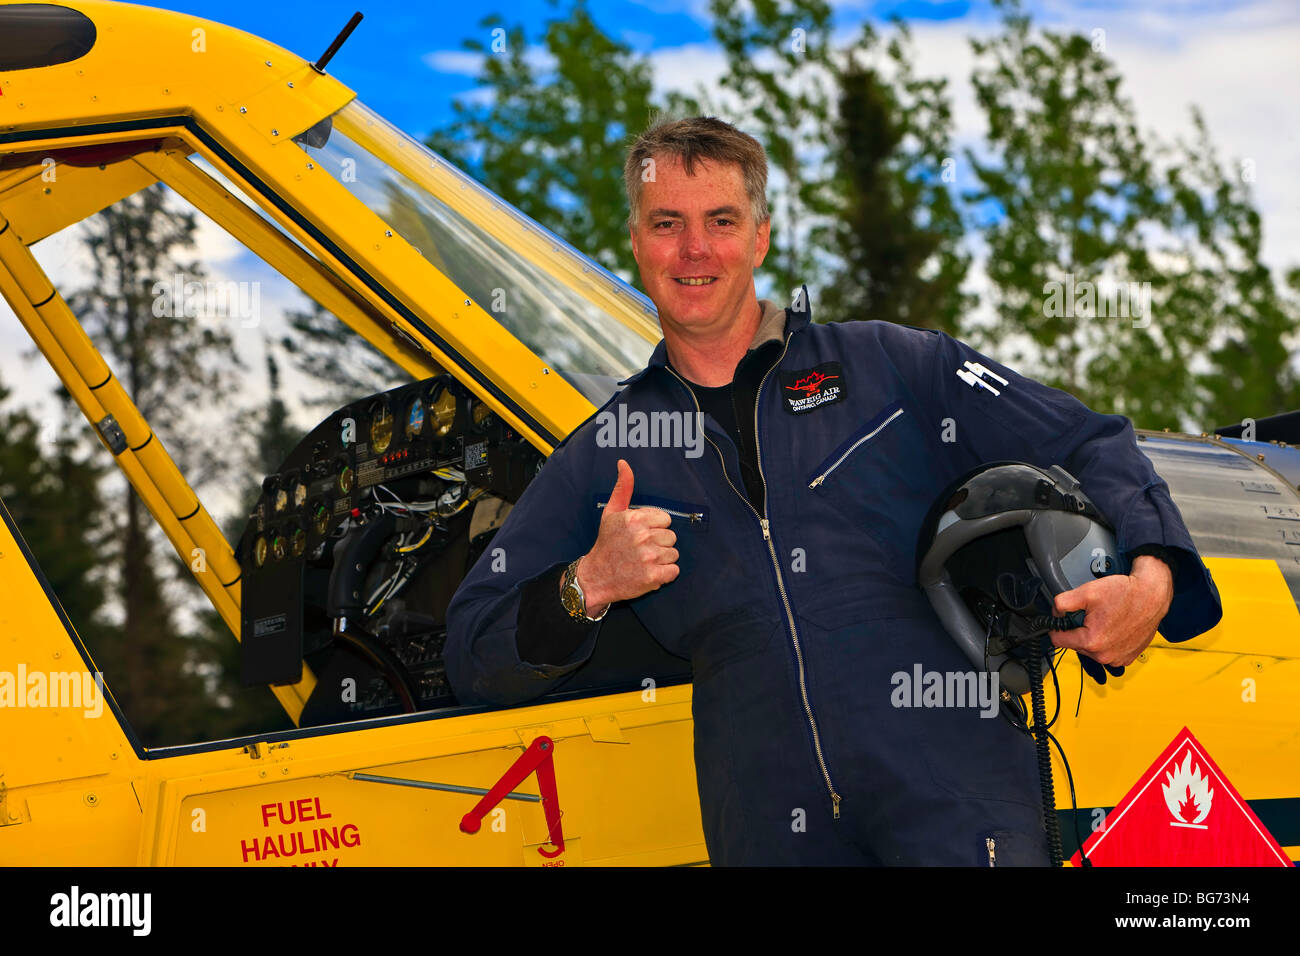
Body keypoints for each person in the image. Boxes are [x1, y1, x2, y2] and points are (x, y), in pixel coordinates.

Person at [443, 116, 1223, 865]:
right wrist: (589, 584)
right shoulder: (606, 452)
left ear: (761, 236)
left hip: (958, 798)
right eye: (666, 223)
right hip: (769, 828)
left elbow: (1086, 440)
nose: (694, 249)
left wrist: (1153, 577)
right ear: (637, 243)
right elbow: (473, 649)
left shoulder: (892, 365)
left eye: (721, 219)